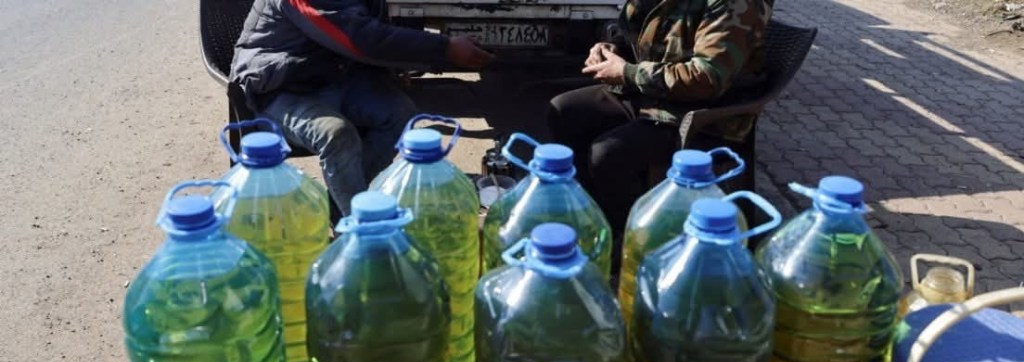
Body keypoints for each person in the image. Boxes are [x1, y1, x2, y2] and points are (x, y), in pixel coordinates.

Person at [231, 0, 493, 219]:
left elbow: (371, 25)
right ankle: (363, 231)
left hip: (330, 73)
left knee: (399, 113)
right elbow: (357, 38)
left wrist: (387, 71)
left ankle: (345, 208)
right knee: (336, 134)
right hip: (278, 86)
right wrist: (445, 48)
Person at [547, 0, 773, 237]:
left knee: (607, 153)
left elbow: (705, 79)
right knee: (563, 111)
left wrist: (628, 73)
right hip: (655, 94)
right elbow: (635, 36)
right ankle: (592, 214)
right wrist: (609, 49)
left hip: (703, 116)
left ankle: (631, 239)